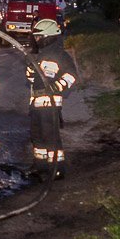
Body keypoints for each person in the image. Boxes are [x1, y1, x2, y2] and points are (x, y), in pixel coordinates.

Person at [26, 18, 78, 179]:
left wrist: (56, 86)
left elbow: (72, 76)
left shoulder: (60, 55)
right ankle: (40, 166)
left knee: (51, 138)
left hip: (50, 104)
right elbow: (31, 80)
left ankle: (57, 168)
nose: (37, 40)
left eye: (39, 36)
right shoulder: (40, 55)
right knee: (37, 137)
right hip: (36, 103)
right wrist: (30, 68)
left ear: (48, 36)